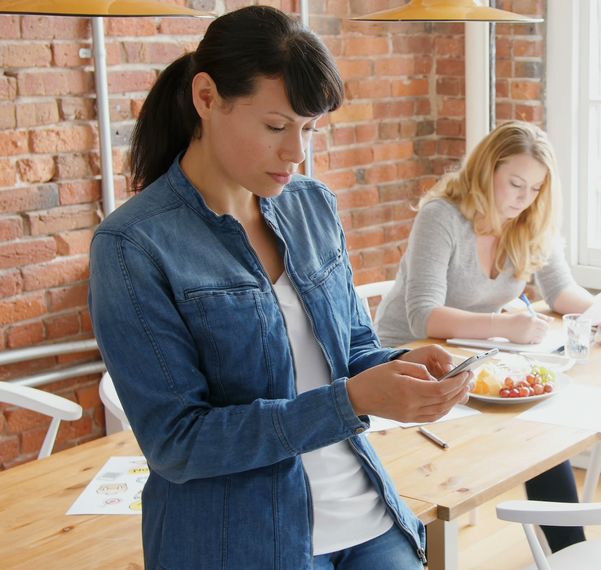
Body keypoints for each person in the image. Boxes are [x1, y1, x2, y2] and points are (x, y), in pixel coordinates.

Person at [88, 7, 471, 569]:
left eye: (308, 129)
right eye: (276, 126)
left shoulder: (312, 206)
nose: (296, 152)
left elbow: (354, 350)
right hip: (239, 544)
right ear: (206, 97)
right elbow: (178, 443)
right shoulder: (132, 246)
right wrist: (352, 401)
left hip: (366, 518)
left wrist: (406, 370)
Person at [374, 120, 601, 552]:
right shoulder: (443, 217)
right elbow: (423, 317)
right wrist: (503, 327)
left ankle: (569, 552)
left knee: (544, 427)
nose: (524, 199)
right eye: (515, 184)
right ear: (488, 168)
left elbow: (560, 289)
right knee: (522, 430)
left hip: (472, 359)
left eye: (535, 189)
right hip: (411, 361)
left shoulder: (526, 221)